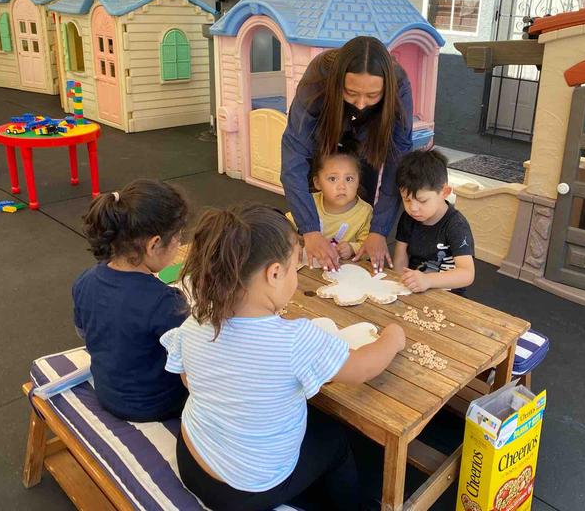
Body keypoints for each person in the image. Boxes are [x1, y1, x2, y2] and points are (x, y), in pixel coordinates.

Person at [161, 204, 405, 511]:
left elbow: (189, 379)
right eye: (295, 265)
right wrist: (393, 337)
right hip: (246, 491)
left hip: (193, 460)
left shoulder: (196, 321)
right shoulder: (295, 340)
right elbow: (362, 369)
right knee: (334, 440)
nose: (295, 275)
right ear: (274, 273)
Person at [281, 35, 413, 273]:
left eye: (372, 96)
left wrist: (378, 231)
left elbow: (397, 161)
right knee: (315, 206)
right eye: (351, 92)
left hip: (367, 143)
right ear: (338, 82)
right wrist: (310, 231)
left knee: (360, 205)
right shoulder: (319, 76)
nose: (361, 104)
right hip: (323, 138)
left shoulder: (399, 84)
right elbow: (294, 156)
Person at [73, 179, 189, 421]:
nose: (179, 243)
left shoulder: (85, 279)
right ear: (154, 244)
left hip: (108, 392)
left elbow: (84, 332)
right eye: (178, 238)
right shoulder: (164, 302)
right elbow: (193, 361)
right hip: (156, 405)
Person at [394, 150, 476, 295]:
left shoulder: (456, 225)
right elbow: (400, 259)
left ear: (445, 192)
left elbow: (467, 274)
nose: (413, 208)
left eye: (422, 200)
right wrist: (400, 285)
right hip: (414, 290)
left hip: (448, 295)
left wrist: (428, 280)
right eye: (406, 200)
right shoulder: (408, 218)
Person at [287, 147, 373, 262]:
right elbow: (285, 226)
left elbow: (369, 247)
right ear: (317, 183)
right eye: (333, 179)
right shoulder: (310, 202)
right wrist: (295, 239)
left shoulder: (365, 212)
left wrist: (352, 248)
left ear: (358, 181)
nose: (342, 186)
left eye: (349, 179)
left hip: (343, 269)